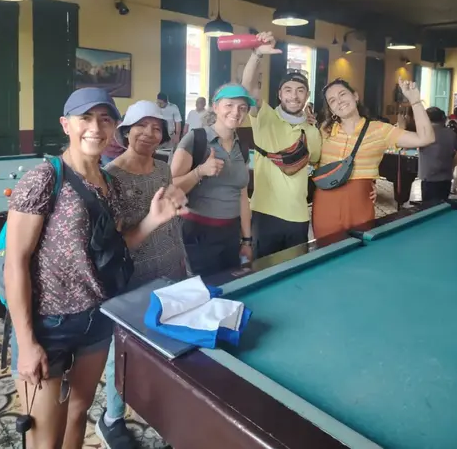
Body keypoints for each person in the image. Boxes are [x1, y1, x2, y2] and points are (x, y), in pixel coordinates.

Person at [4, 88, 187, 449]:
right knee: (44, 437)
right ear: (66, 124)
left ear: (114, 127)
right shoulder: (44, 179)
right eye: (85, 118)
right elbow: (16, 263)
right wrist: (26, 342)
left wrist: (153, 220)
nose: (95, 127)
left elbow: (115, 250)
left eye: (105, 119)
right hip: (49, 324)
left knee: (78, 412)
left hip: (96, 318)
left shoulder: (110, 184)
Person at [96, 100, 188, 449]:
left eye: (157, 127)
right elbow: (114, 242)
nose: (149, 133)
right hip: (133, 280)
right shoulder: (111, 177)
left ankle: (159, 407)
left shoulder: (163, 169)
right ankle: (111, 418)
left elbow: (171, 219)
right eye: (141, 126)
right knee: (122, 351)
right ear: (126, 131)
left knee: (165, 345)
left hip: (172, 270)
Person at [312, 77, 435, 238]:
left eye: (342, 94)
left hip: (360, 204)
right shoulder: (324, 131)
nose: (339, 101)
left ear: (355, 96)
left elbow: (426, 138)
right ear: (331, 109)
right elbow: (310, 161)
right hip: (325, 203)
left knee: (359, 247)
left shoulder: (380, 130)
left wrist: (415, 101)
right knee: (325, 248)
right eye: (332, 100)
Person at [241, 32, 322, 258]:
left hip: (298, 217)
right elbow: (246, 89)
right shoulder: (264, 117)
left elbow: (318, 163)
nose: (294, 96)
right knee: (262, 270)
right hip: (264, 213)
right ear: (279, 94)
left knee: (295, 270)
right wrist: (257, 55)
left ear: (307, 95)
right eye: (288, 90)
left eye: (300, 90)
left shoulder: (312, 131)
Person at [171, 84, 254, 276]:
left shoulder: (242, 146)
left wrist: (247, 240)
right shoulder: (196, 139)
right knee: (205, 288)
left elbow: (242, 196)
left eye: (242, 108)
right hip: (198, 235)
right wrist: (199, 172)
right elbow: (170, 188)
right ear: (215, 107)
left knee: (230, 285)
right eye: (229, 105)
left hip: (231, 234)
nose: (236, 112)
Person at [419, 107, 457, 202]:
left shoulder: (424, 133)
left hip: (429, 179)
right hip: (446, 178)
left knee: (429, 207)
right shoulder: (451, 133)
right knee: (442, 204)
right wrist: (451, 165)